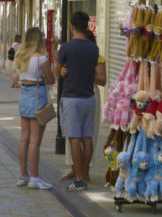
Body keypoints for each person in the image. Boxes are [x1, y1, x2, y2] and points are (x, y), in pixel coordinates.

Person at [56, 11, 100, 192]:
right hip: (89, 97)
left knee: (74, 137)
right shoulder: (93, 48)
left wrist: (63, 72)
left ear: (72, 26)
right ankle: (85, 172)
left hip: (71, 97)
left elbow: (57, 71)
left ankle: (79, 178)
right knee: (87, 137)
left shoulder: (66, 48)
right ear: (87, 26)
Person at [11, 27, 55, 190]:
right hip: (38, 94)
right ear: (39, 40)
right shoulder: (41, 59)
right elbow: (51, 79)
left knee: (24, 138)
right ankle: (35, 177)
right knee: (35, 140)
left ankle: (23, 175)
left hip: (24, 94)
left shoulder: (20, 57)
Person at [60, 29, 107, 182]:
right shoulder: (71, 53)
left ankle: (84, 171)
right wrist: (63, 70)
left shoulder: (97, 56)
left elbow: (102, 80)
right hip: (74, 94)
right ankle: (75, 169)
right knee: (72, 136)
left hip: (88, 93)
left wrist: (85, 72)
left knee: (88, 135)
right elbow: (59, 71)